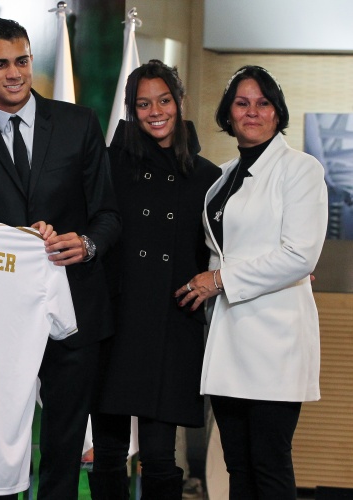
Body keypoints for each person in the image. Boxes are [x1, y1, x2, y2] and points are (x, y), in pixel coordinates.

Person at [0, 18, 121, 498]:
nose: (14, 73)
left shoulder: (78, 123)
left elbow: (108, 214)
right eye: (0, 64)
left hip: (73, 308)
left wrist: (85, 244)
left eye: (22, 61)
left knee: (64, 449)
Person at [176, 65, 328, 499]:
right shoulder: (222, 177)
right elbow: (221, 248)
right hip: (229, 340)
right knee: (238, 467)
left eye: (263, 103)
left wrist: (220, 279)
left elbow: (300, 255)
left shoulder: (300, 169)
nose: (252, 112)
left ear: (277, 112)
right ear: (228, 113)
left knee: (270, 464)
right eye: (242, 103)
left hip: (274, 341)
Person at [88, 60, 220, 499]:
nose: (155, 112)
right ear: (131, 110)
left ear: (179, 101)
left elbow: (227, 245)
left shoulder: (207, 177)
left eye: (164, 100)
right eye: (143, 104)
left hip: (172, 324)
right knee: (108, 453)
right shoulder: (109, 164)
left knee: (161, 457)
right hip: (116, 322)